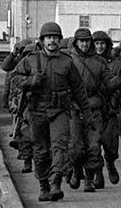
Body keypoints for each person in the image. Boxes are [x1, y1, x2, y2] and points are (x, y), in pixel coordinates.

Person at [10, 22, 91, 202]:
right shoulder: (31, 59)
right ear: (42, 40)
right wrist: (30, 81)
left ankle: (56, 182)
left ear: (59, 40)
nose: (52, 41)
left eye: (55, 37)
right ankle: (44, 185)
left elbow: (79, 90)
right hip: (37, 111)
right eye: (48, 38)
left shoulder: (67, 62)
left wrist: (88, 114)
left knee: (61, 146)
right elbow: (14, 77)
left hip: (59, 111)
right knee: (41, 151)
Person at [67, 27, 113, 193]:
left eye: (87, 41)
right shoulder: (69, 60)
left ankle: (88, 179)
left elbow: (108, 84)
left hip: (94, 107)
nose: (85, 44)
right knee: (76, 147)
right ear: (76, 42)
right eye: (82, 41)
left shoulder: (99, 62)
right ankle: (76, 170)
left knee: (94, 146)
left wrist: (119, 80)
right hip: (75, 108)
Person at [93, 31, 121, 187]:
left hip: (111, 110)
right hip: (93, 111)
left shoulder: (117, 65)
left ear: (108, 45)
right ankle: (97, 174)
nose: (100, 47)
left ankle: (110, 163)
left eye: (103, 43)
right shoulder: (88, 63)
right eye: (96, 43)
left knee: (111, 146)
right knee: (93, 146)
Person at [4, 39, 35, 173]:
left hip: (37, 108)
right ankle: (27, 161)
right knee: (24, 138)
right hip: (23, 109)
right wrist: (12, 104)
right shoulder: (18, 72)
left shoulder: (38, 71)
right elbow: (12, 91)